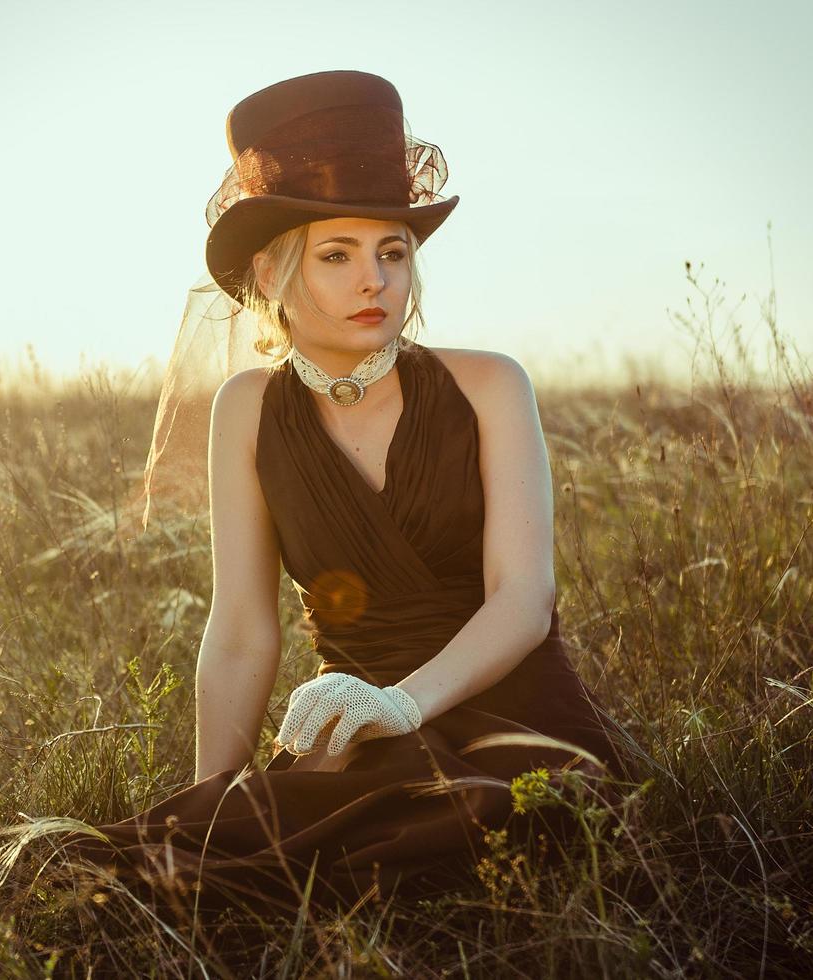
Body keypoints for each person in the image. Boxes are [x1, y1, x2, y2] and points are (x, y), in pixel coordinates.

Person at [45, 69, 639, 921]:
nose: (376, 281)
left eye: (392, 252)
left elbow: (525, 598)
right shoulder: (246, 407)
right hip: (350, 726)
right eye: (338, 255)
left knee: (486, 818)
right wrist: (213, 801)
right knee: (178, 866)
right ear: (273, 271)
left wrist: (401, 703)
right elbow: (243, 627)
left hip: (514, 716)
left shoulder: (489, 385)